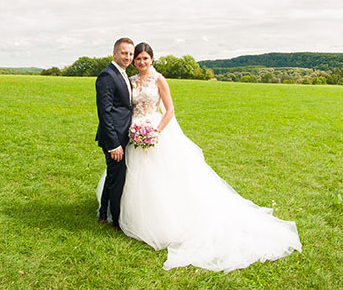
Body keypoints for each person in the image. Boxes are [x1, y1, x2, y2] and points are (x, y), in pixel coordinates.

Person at [97, 42, 301, 272]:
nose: (140, 62)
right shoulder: (131, 80)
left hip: (156, 129)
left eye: (144, 58)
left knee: (163, 175)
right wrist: (136, 130)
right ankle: (122, 214)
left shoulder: (159, 79)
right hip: (133, 131)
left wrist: (155, 131)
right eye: (137, 58)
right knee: (131, 173)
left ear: (152, 59)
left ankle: (159, 218)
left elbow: (170, 110)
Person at [95, 37, 135, 229]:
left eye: (130, 54)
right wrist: (113, 144)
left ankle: (104, 213)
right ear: (114, 53)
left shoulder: (123, 74)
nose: (127, 57)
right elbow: (105, 112)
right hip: (114, 137)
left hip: (123, 134)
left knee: (113, 176)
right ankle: (117, 221)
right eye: (124, 53)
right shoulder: (107, 76)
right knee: (117, 178)